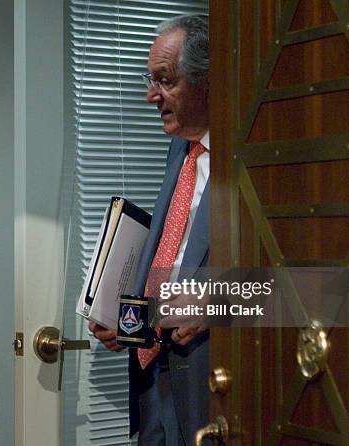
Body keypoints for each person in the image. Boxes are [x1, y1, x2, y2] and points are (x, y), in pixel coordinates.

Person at [89, 15, 210, 445]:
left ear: (207, 81)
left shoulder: (251, 156)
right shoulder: (181, 148)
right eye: (150, 79)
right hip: (151, 379)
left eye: (165, 81)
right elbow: (172, 259)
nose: (150, 96)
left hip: (208, 383)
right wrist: (125, 322)